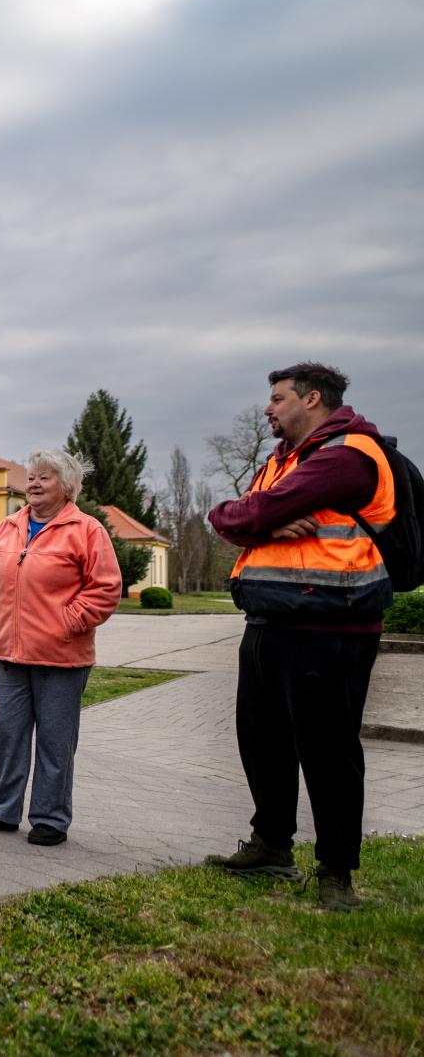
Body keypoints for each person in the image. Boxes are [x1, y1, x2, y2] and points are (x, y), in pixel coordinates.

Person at [203, 362, 396, 912]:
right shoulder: (282, 460)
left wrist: (256, 517)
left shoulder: (350, 455)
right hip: (269, 621)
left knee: (328, 750)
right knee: (262, 741)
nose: (269, 408)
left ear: (313, 400)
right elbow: (226, 515)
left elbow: (258, 509)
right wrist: (256, 520)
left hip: (330, 624)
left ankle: (337, 873)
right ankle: (271, 845)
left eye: (278, 398)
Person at [0, 450, 123, 846]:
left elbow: (106, 588)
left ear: (66, 487)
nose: (33, 483)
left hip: (62, 658)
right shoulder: (7, 528)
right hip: (11, 656)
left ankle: (50, 818)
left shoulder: (86, 530)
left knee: (55, 742)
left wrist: (67, 622)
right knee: (8, 735)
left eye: (44, 478)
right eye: (32, 477)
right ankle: (2, 810)